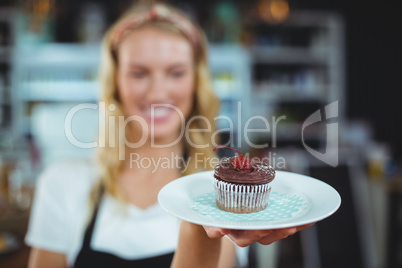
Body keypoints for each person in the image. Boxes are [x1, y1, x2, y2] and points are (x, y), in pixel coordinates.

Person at [25, 2, 314, 268]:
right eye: (139, 73)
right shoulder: (63, 184)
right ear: (115, 83)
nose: (157, 92)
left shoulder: (222, 192)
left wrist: (202, 224)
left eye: (176, 73)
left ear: (196, 82)